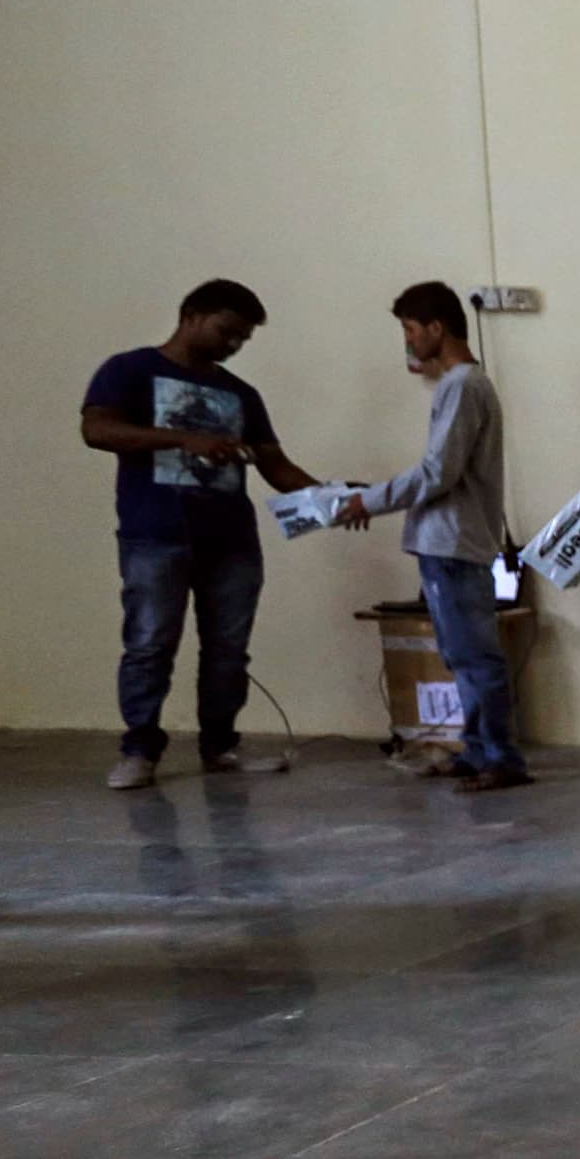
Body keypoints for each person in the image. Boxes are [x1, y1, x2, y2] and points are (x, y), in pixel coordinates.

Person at [81, 279, 331, 790]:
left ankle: (220, 746)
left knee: (228, 649)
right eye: (226, 331)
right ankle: (139, 751)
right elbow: (96, 430)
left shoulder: (242, 394)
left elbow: (276, 466)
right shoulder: (129, 370)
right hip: (156, 535)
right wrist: (183, 438)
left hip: (233, 541)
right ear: (191, 315)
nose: (233, 345)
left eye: (243, 339)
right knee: (150, 643)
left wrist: (337, 498)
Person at [333, 282, 525, 791]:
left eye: (410, 330)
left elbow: (437, 472)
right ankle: (479, 751)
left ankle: (500, 758)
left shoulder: (462, 386)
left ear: (437, 328)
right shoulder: (463, 385)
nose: (408, 341)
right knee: (462, 655)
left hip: (454, 543)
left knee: (474, 657)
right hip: (450, 542)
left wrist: (369, 500)